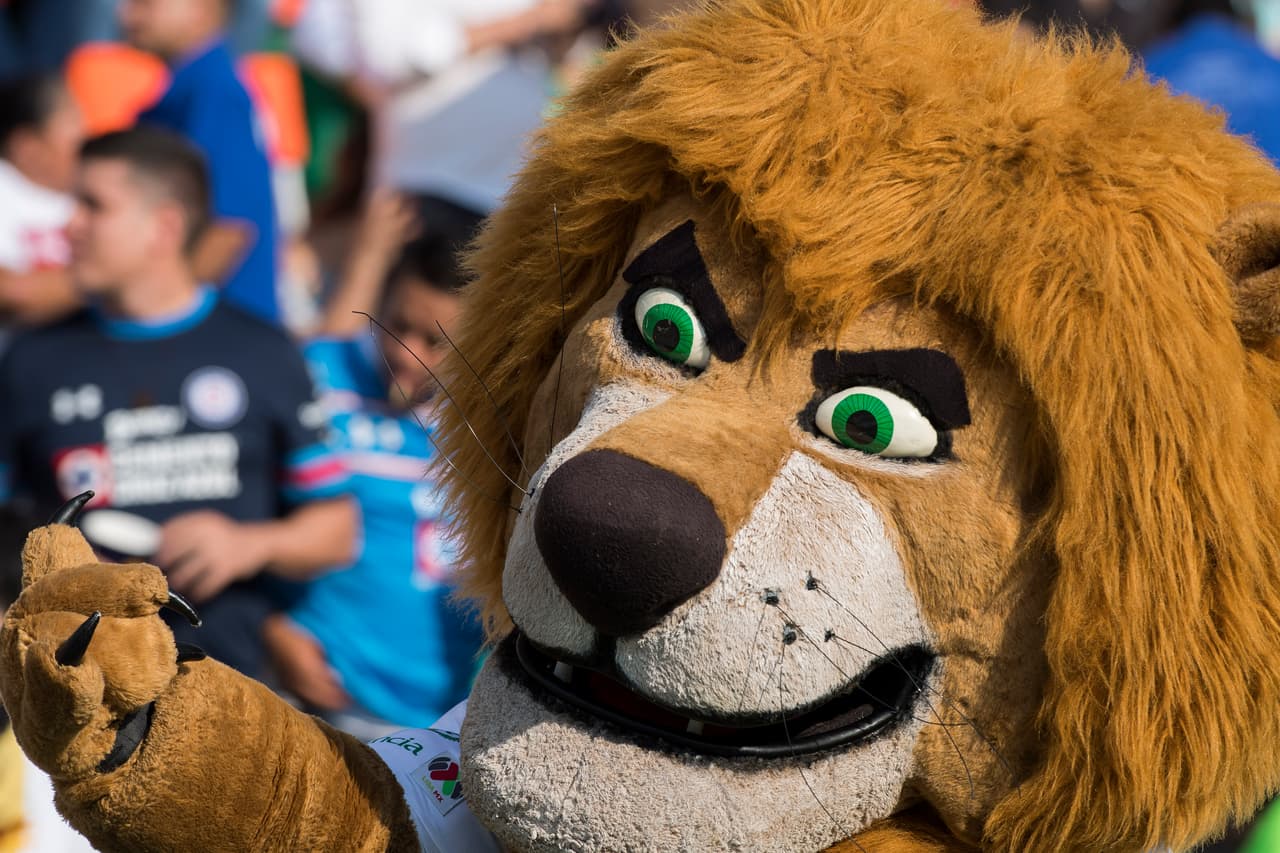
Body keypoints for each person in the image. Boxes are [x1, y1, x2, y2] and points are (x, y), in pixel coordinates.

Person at [0, 127, 356, 679]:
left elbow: (337, 528)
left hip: (234, 688)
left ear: (163, 226)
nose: (70, 226)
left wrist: (247, 544)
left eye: (93, 206)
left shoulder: (263, 350)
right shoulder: (29, 361)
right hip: (76, 688)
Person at [263, 191, 485, 738]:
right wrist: (265, 626)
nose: (407, 354)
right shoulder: (316, 377)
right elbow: (240, 510)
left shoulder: (500, 426)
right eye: (397, 325)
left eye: (436, 343)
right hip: (313, 708)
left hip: (442, 724)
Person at [119, 0, 281, 324]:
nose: (127, 14)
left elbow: (229, 231)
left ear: (202, 9)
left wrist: (153, 316)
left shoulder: (214, 91)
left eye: (146, 4)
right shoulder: (187, 91)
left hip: (223, 337)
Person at [0, 72, 84, 345]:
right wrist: (117, 279)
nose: (87, 131)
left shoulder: (93, 192)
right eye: (72, 120)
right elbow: (11, 293)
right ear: (28, 146)